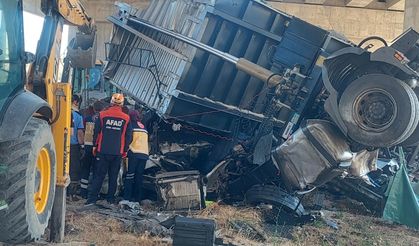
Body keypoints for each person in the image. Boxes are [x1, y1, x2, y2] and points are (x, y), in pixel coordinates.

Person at [86, 93, 132, 205]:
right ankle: (110, 200)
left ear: (111, 102)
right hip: (117, 152)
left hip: (103, 151)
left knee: (99, 176)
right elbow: (129, 136)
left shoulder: (102, 115)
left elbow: (96, 132)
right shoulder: (126, 118)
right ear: (122, 104)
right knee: (113, 177)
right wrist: (125, 150)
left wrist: (94, 146)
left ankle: (92, 199)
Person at [122, 109, 149, 203]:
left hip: (134, 152)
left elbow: (128, 138)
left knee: (130, 176)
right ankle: (137, 199)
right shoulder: (143, 126)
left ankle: (126, 198)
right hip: (144, 154)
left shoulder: (130, 125)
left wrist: (124, 150)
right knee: (139, 177)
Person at [80, 100, 104, 198]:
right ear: (102, 109)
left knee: (85, 169)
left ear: (93, 109)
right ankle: (93, 193)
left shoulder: (87, 118)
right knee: (96, 170)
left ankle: (83, 192)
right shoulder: (103, 119)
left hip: (87, 146)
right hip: (97, 147)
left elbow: (82, 130)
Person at [69, 94, 84, 196]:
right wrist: (82, 146)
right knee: (74, 168)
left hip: (58, 144)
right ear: (75, 102)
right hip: (73, 146)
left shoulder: (59, 112)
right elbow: (79, 134)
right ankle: (72, 192)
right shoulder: (78, 116)